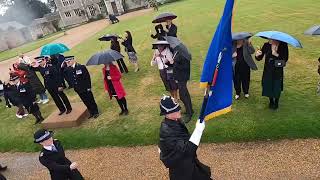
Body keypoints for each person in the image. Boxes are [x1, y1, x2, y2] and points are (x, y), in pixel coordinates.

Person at [158, 95, 212, 180]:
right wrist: (198, 131)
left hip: (185, 163)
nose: (179, 110)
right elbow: (188, 150)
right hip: (182, 169)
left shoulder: (174, 121)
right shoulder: (167, 132)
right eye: (175, 110)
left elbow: (184, 139)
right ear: (167, 113)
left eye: (178, 108)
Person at [255, 39, 289, 110]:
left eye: (273, 40)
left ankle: (276, 101)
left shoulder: (283, 46)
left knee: (277, 87)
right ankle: (271, 101)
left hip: (278, 71)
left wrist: (275, 54)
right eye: (270, 40)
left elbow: (284, 60)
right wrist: (257, 55)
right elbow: (259, 58)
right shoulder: (266, 45)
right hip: (268, 70)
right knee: (268, 85)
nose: (271, 41)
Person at [173, 48, 194, 123]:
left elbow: (185, 67)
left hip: (182, 77)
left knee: (182, 95)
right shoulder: (175, 51)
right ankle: (190, 109)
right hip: (179, 76)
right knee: (185, 94)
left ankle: (189, 113)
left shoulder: (183, 53)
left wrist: (174, 64)